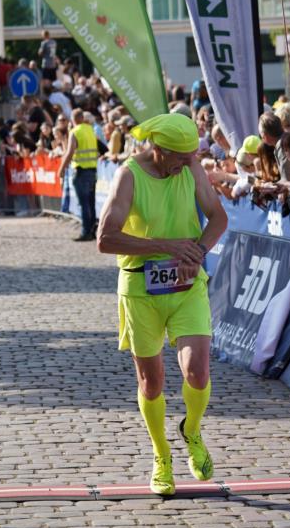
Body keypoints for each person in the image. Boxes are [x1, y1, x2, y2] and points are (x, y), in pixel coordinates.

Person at [97, 113, 228, 496]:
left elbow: (219, 217)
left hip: (187, 286)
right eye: (181, 158)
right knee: (151, 383)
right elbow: (105, 239)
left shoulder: (190, 168)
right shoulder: (129, 176)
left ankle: (192, 429)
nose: (189, 164)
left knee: (197, 372)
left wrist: (199, 249)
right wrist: (166, 246)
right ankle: (161, 454)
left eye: (192, 157)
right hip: (141, 291)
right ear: (158, 149)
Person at [58, 107, 99, 241]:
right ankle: (92, 231)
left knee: (83, 203)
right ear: (82, 118)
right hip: (92, 171)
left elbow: (69, 152)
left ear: (73, 119)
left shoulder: (75, 132)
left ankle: (85, 232)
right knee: (91, 203)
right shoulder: (90, 129)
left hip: (81, 171)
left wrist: (61, 169)